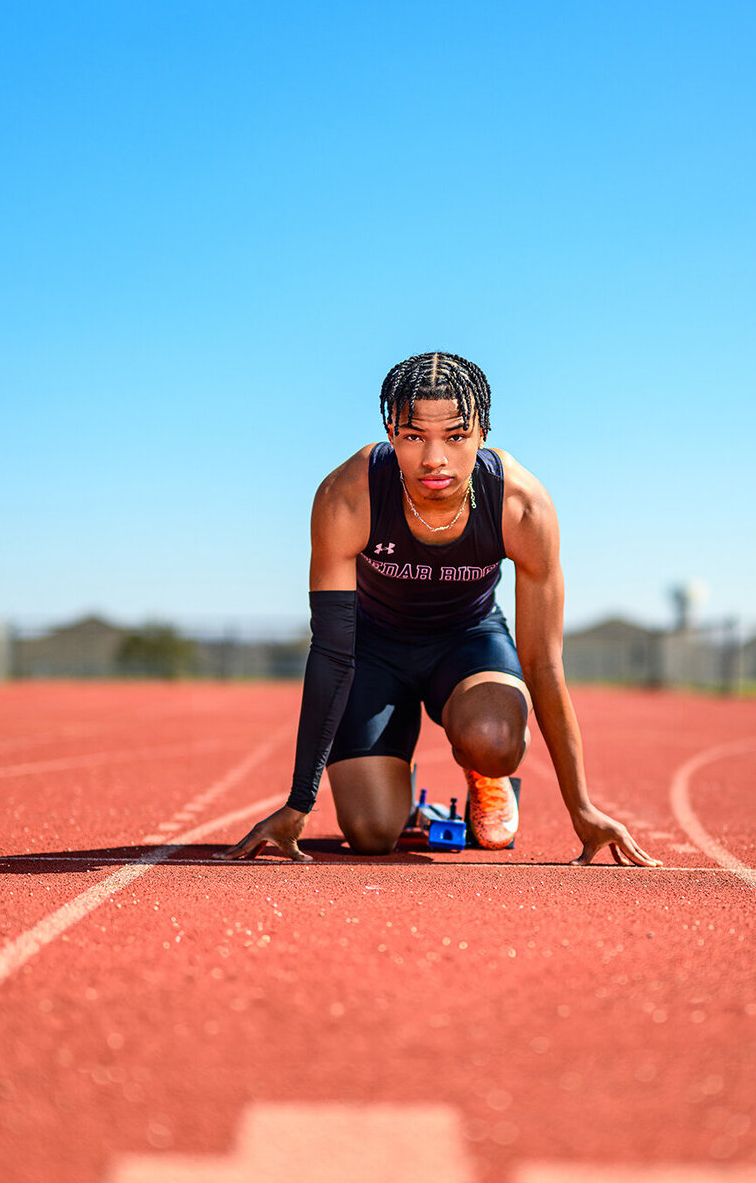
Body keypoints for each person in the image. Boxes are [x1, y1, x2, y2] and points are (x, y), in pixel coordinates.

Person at [227, 352, 655, 867]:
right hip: (374, 648)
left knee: (494, 740)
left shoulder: (520, 504)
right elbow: (333, 653)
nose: (435, 460)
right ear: (391, 432)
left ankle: (484, 775)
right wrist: (299, 802)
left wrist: (582, 808)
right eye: (413, 437)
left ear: (482, 433)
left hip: (467, 641)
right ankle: (398, 789)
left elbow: (542, 663)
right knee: (371, 834)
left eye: (455, 437)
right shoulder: (348, 495)